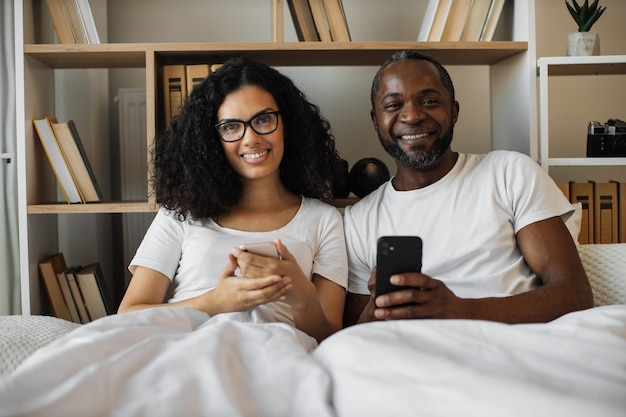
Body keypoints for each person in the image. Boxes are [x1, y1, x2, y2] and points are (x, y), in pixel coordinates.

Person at [342, 50, 593, 327]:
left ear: (454, 111)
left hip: (514, 347)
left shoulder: (509, 173)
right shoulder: (357, 220)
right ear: (376, 120)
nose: (412, 116)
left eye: (429, 101)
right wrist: (378, 310)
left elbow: (574, 294)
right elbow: (355, 333)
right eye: (393, 105)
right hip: (415, 358)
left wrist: (460, 310)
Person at [118, 56, 348, 343]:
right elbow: (128, 314)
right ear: (213, 139)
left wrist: (302, 296)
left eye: (263, 120)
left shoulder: (324, 219)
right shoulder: (180, 213)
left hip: (276, 359)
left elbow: (329, 338)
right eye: (230, 127)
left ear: (286, 124)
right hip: (188, 354)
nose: (250, 138)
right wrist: (213, 301)